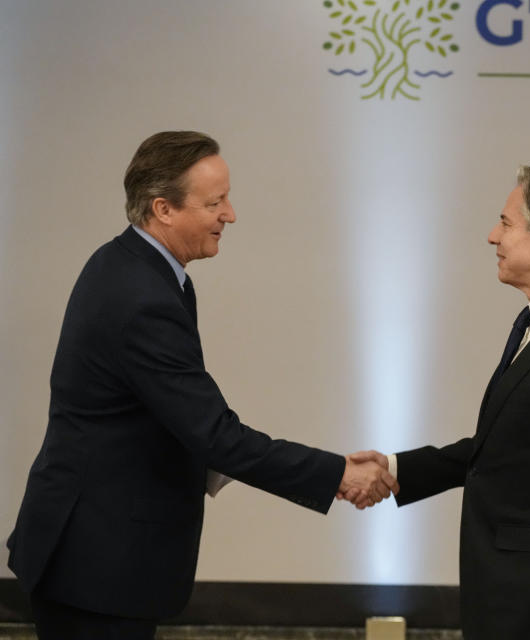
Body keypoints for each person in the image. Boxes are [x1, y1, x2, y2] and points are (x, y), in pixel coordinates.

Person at [6, 131, 398, 639]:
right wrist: (337, 473)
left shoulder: (131, 266)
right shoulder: (141, 296)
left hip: (94, 553)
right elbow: (215, 435)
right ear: (163, 209)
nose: (229, 214)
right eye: (215, 202)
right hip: (96, 563)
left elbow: (170, 418)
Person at [354, 166, 530, 639]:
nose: (493, 236)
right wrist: (396, 467)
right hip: (511, 595)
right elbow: (507, 446)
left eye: (506, 223)